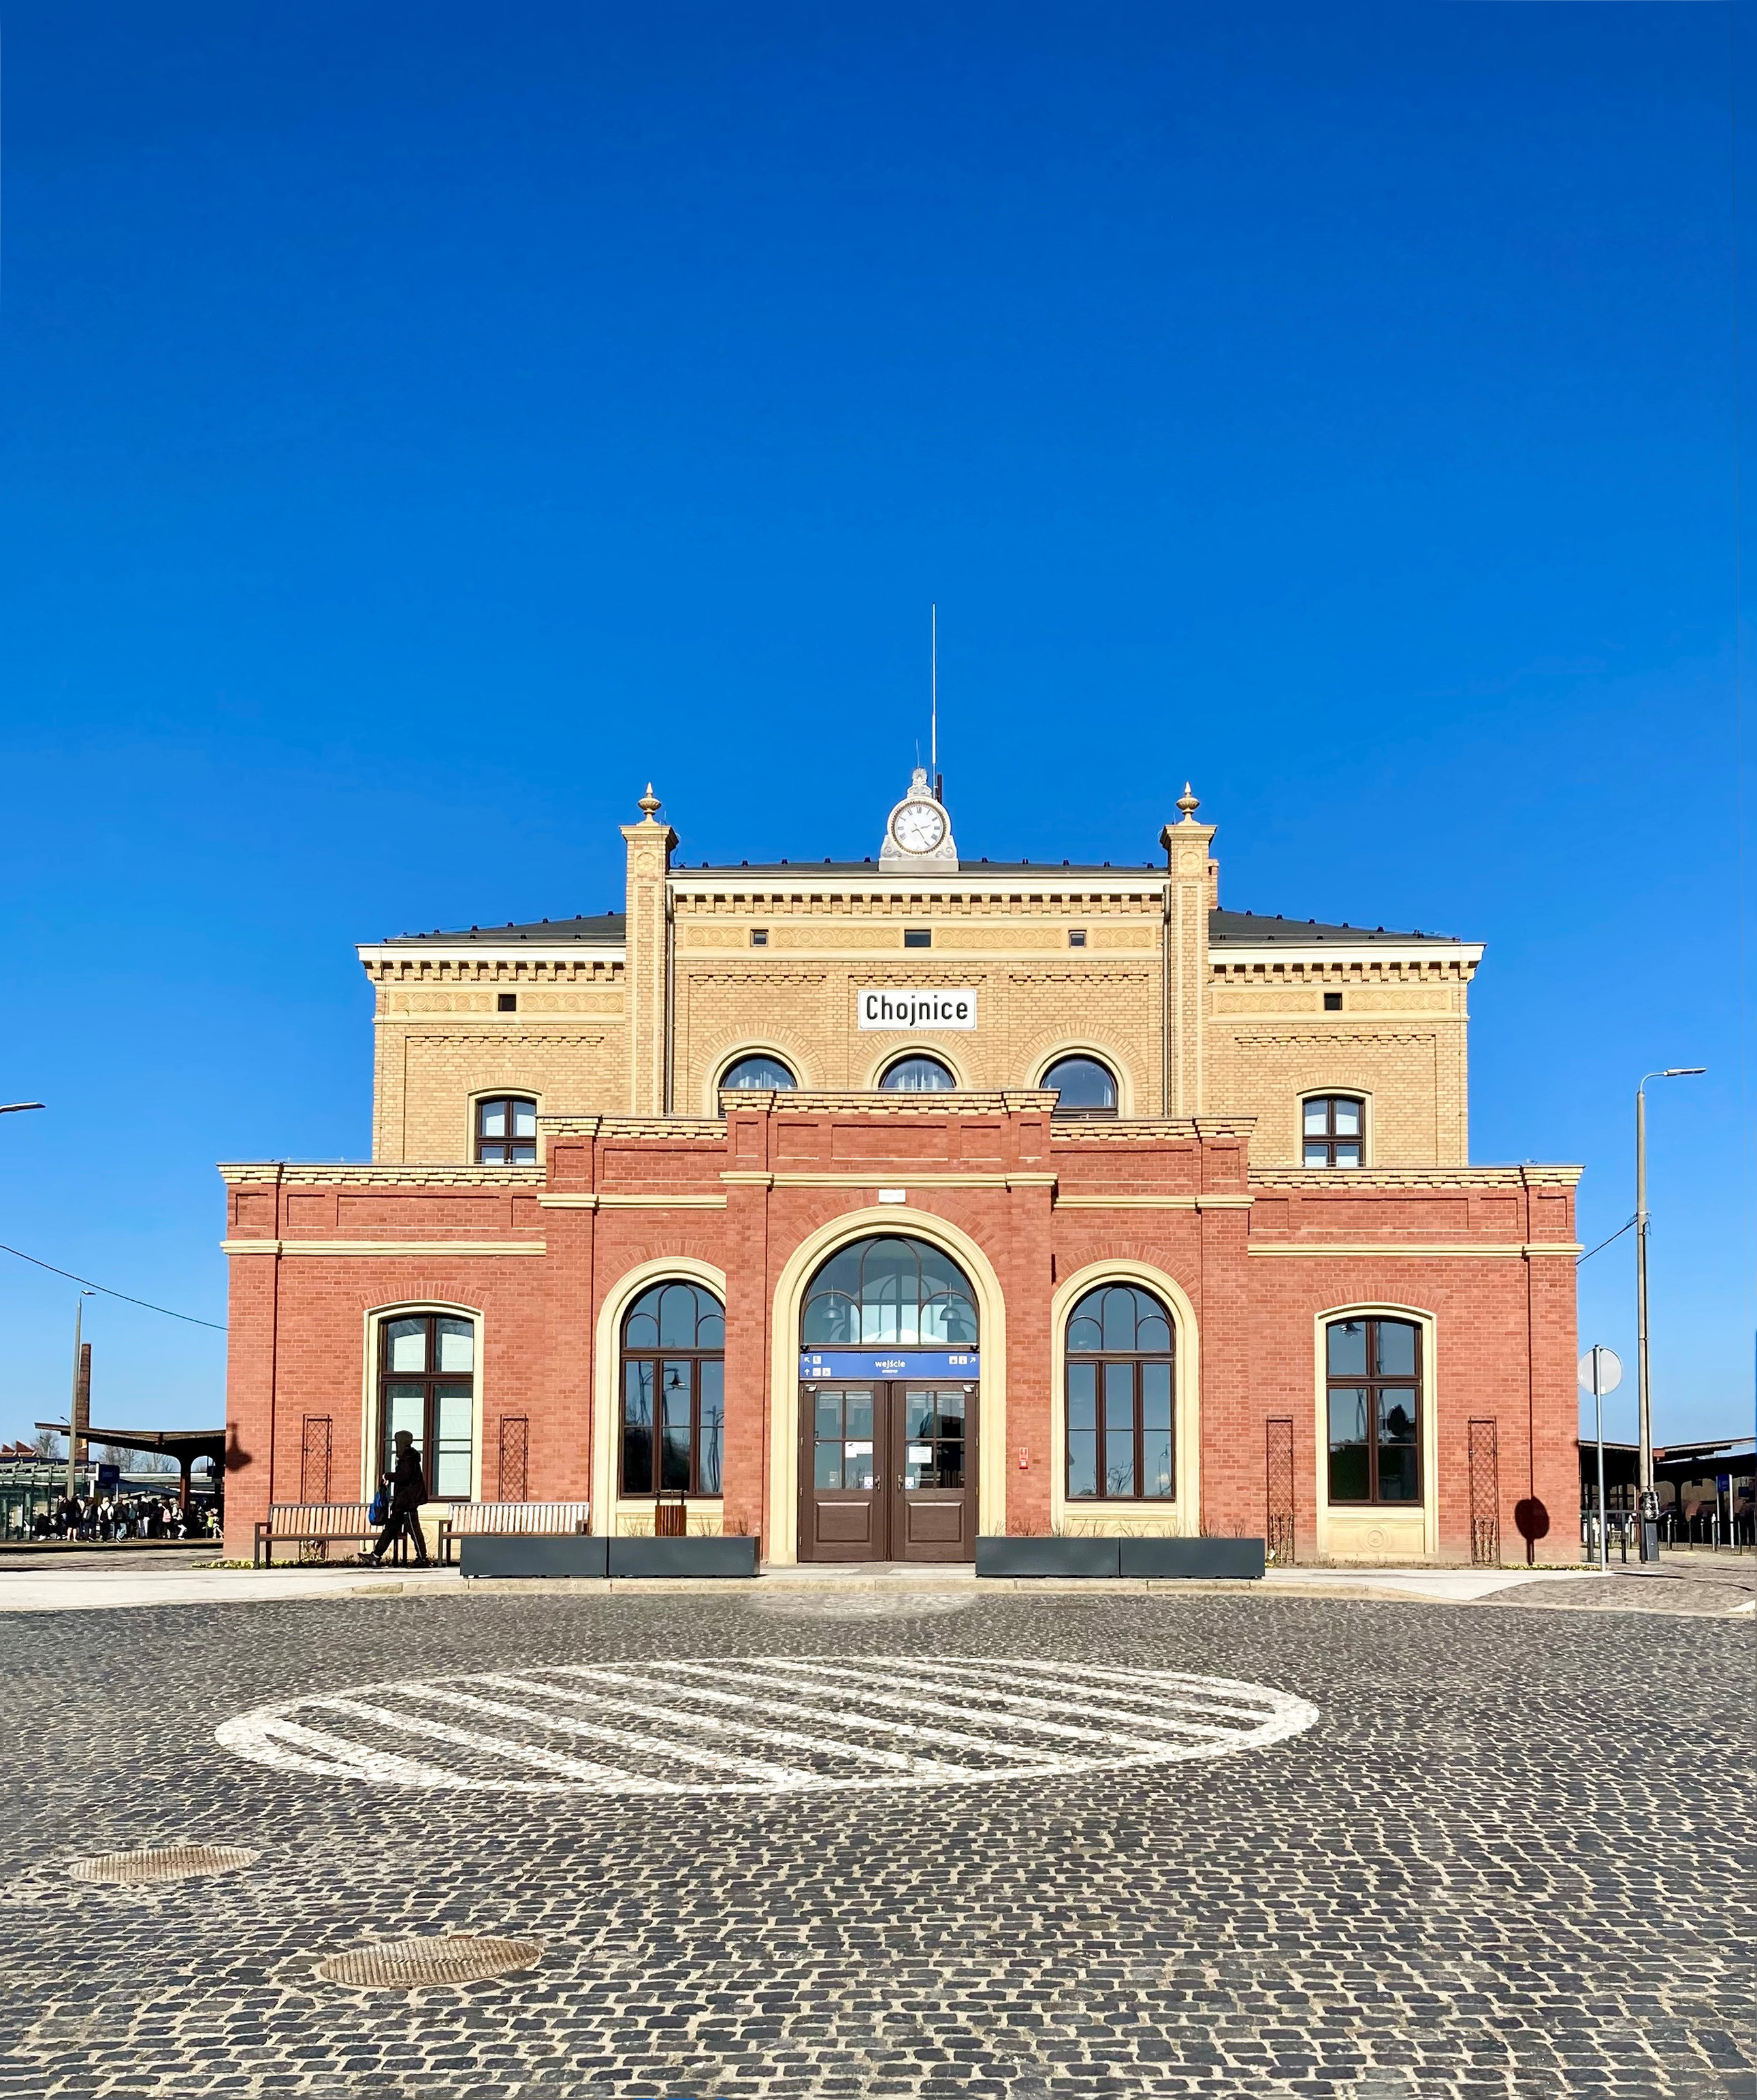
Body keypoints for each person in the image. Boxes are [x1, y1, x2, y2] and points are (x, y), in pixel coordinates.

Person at [366, 1430, 430, 1566]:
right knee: (390, 1528)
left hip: (408, 1501)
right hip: (403, 1501)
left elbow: (404, 1476)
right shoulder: (407, 1457)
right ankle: (375, 1556)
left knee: (413, 1529)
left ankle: (423, 1558)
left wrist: (388, 1476)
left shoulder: (408, 1457)